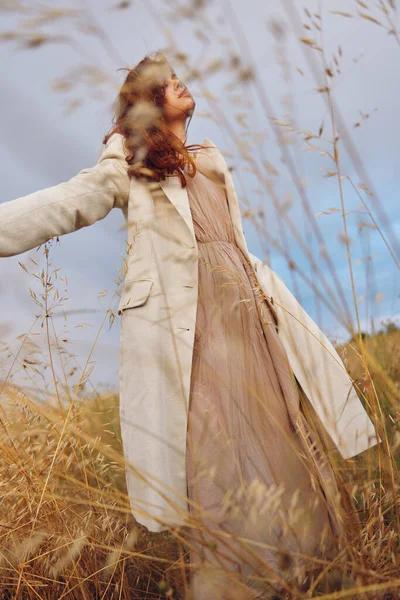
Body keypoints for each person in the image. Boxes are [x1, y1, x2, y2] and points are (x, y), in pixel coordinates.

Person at [0, 51, 376, 599]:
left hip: (250, 317)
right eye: (164, 82)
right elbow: (69, 203)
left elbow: (235, 246)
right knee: (218, 455)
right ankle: (237, 585)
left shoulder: (210, 163)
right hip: (194, 330)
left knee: (285, 439)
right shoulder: (127, 165)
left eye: (177, 77)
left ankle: (312, 575)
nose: (179, 82)